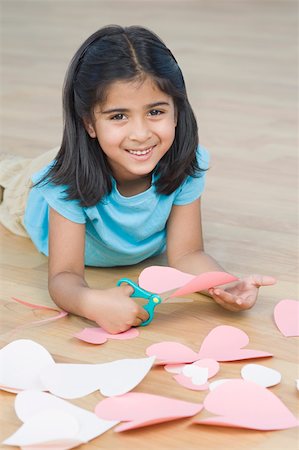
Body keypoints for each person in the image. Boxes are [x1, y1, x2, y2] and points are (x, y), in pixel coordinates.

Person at [0, 25, 276, 333]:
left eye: (155, 112)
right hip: (32, 191)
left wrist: (228, 284)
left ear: (177, 111)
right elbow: (64, 277)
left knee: (118, 149)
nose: (141, 133)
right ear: (90, 123)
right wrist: (91, 303)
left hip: (109, 153)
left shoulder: (186, 163)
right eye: (119, 116)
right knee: (10, 176)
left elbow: (187, 254)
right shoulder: (64, 184)